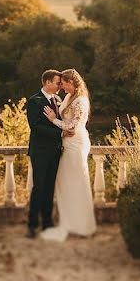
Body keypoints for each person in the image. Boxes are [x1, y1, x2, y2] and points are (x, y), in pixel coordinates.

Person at [39, 68, 96, 241]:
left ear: (71, 83)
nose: (62, 87)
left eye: (63, 84)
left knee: (78, 182)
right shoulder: (68, 97)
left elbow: (73, 127)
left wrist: (52, 120)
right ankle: (69, 223)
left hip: (76, 145)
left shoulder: (81, 101)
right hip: (66, 144)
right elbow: (66, 122)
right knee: (65, 184)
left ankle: (83, 225)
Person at [24, 69, 69, 238]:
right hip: (40, 151)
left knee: (50, 188)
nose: (60, 86)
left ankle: (47, 223)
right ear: (48, 82)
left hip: (55, 151)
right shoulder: (34, 101)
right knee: (39, 187)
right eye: (58, 83)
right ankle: (32, 224)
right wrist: (60, 134)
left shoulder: (58, 99)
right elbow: (35, 127)